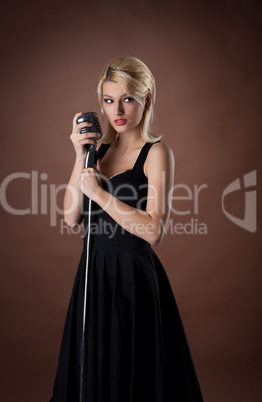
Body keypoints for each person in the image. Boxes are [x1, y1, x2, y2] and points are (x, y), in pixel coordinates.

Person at [50, 56, 203, 402]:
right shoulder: (97, 151)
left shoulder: (156, 153)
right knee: (93, 371)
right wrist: (80, 155)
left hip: (133, 278)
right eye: (108, 100)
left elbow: (152, 230)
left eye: (128, 99)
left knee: (130, 373)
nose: (116, 110)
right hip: (93, 273)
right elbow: (71, 217)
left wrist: (102, 195)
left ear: (146, 98)